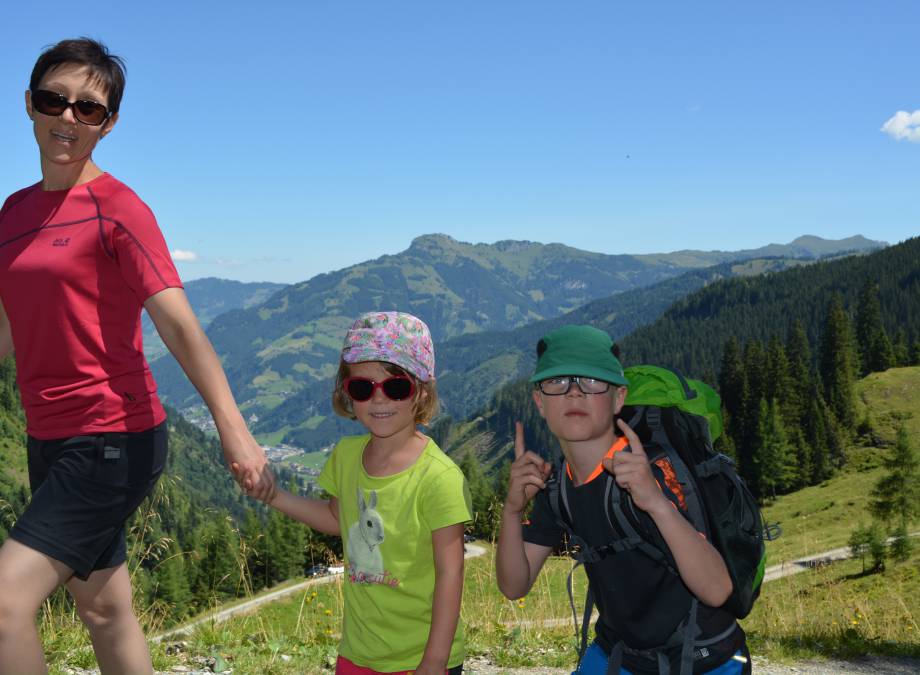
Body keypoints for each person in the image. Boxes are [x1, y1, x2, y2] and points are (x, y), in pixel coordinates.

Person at [0, 37, 273, 674]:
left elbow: (180, 326)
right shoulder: (11, 214)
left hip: (112, 439)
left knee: (5, 604)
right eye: (54, 100)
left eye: (88, 109)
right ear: (30, 105)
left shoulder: (120, 210)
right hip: (49, 435)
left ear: (109, 124)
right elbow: (8, 327)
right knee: (103, 611)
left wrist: (235, 432)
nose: (68, 117)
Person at [495, 325, 749, 674]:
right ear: (540, 402)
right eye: (558, 382)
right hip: (621, 654)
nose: (574, 393)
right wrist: (512, 510)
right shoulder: (557, 486)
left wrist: (656, 503)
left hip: (705, 658)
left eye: (592, 382)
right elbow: (514, 586)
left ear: (618, 398)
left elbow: (718, 591)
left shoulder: (651, 471)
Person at [244, 311, 471, 675]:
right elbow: (338, 518)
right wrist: (274, 496)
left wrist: (435, 661)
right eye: (363, 388)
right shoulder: (347, 458)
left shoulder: (439, 477)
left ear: (422, 392)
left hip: (420, 657)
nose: (379, 400)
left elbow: (450, 573)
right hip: (358, 652)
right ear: (346, 394)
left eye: (396, 387)